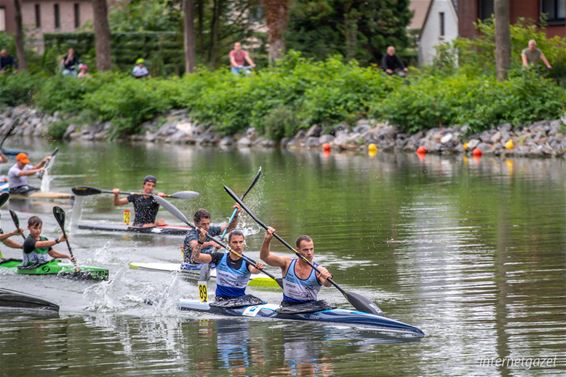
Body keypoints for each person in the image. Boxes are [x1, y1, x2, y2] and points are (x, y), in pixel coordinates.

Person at [261, 227, 332, 310]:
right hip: (288, 308)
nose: (309, 253)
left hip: (311, 308)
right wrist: (267, 240)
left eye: (311, 249)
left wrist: (327, 277)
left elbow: (328, 284)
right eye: (305, 250)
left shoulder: (319, 270)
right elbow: (264, 257)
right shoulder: (287, 263)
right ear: (297, 250)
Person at [192, 229, 265, 304]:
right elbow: (196, 257)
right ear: (229, 244)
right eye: (235, 242)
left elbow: (254, 270)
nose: (238, 245)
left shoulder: (248, 262)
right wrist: (200, 241)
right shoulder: (219, 257)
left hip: (240, 301)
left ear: (244, 243)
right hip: (221, 301)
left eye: (241, 242)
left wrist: (258, 268)